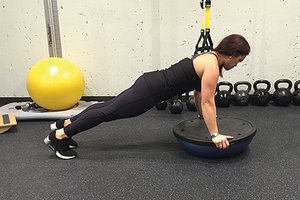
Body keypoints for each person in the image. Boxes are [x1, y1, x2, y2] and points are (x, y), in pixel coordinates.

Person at [44, 34, 250, 159]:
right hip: (151, 92)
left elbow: (198, 92)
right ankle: (59, 136)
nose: (236, 65)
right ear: (231, 54)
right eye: (238, 60)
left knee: (108, 105)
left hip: (149, 81)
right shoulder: (213, 67)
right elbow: (207, 100)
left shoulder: (207, 56)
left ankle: (65, 123)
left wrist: (199, 116)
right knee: (108, 112)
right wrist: (215, 134)